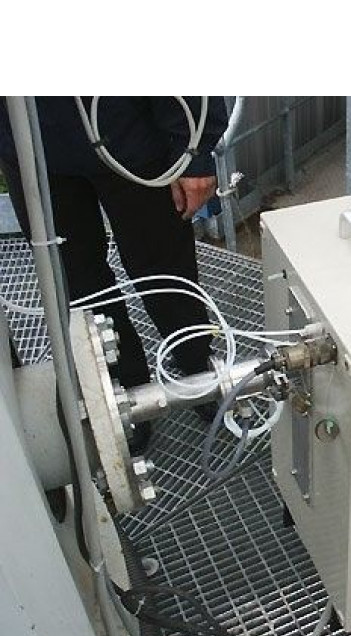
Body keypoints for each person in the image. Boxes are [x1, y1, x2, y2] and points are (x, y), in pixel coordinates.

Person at [0, 96, 229, 450]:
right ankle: (122, 388)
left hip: (131, 132)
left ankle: (198, 367)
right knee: (77, 282)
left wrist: (193, 149)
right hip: (29, 146)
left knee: (164, 269)